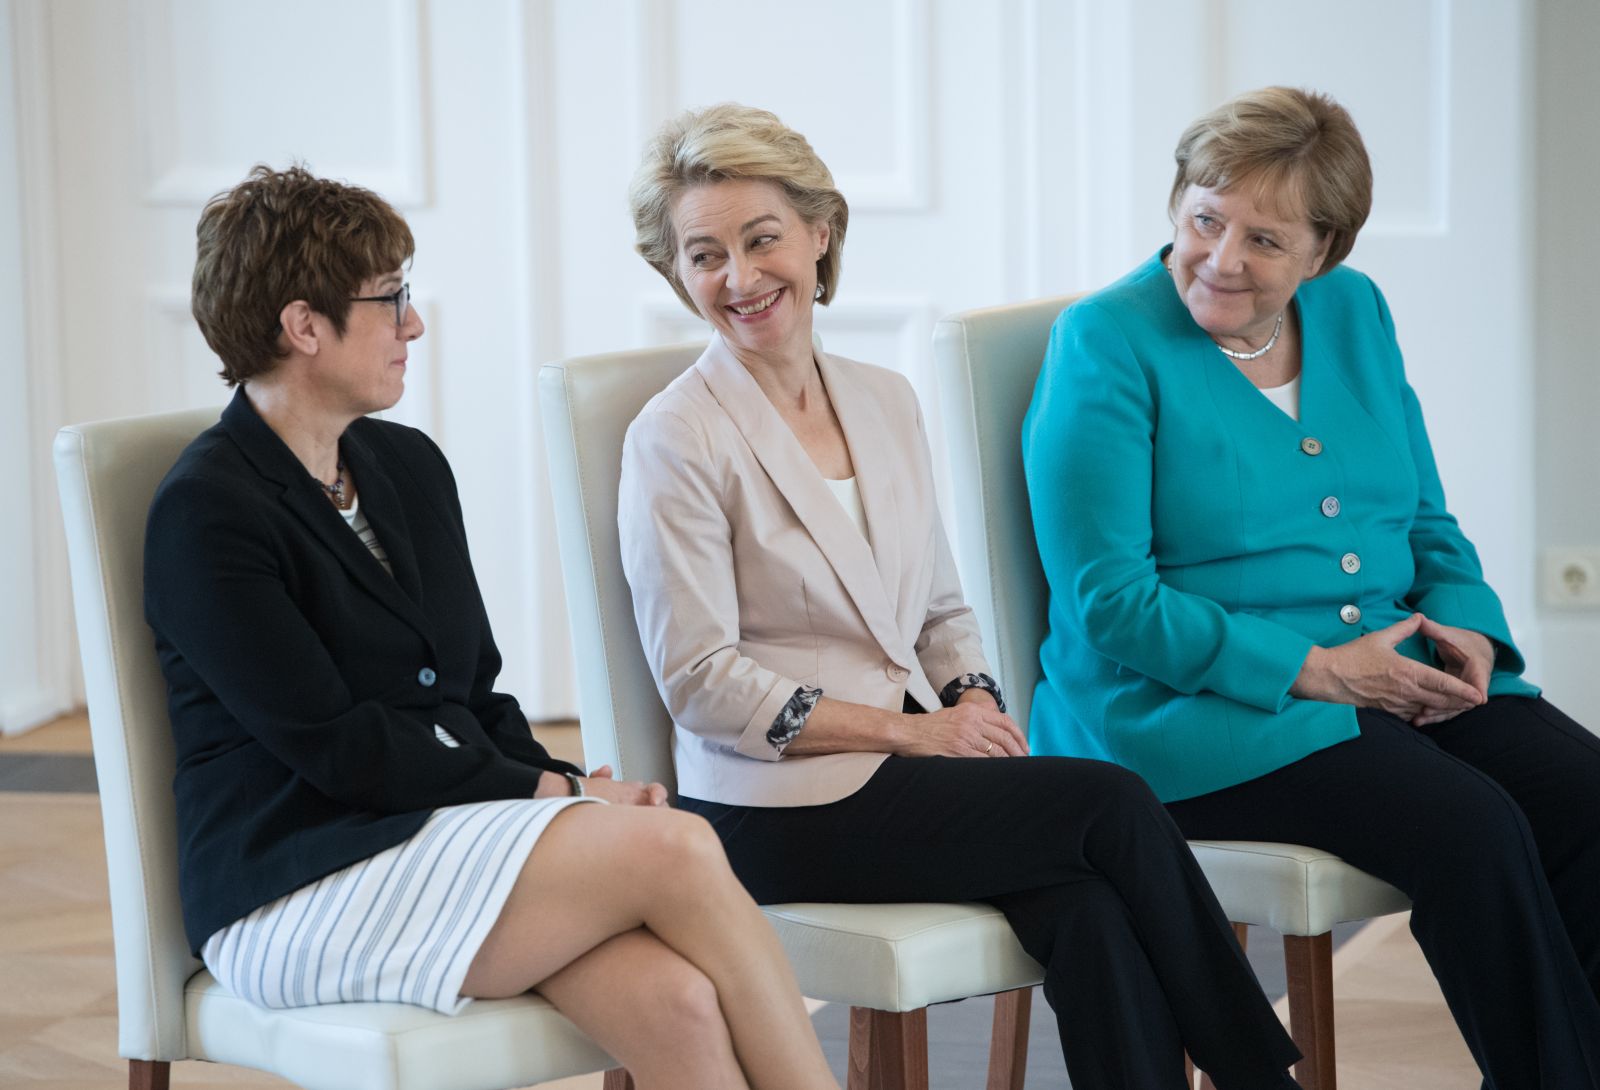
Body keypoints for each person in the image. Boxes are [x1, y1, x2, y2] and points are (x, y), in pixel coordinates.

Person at [619, 103, 1304, 1090]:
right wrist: (914, 733)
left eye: (762, 239)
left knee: (1089, 911)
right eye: (704, 255)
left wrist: (972, 699)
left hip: (900, 770)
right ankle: (1259, 1076)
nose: (739, 276)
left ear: (820, 233)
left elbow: (940, 606)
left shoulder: (882, 398)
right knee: (1111, 800)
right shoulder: (675, 435)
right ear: (676, 273)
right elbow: (699, 680)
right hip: (772, 807)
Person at [146, 164, 842, 1090]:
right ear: (305, 326)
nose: (413, 325)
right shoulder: (208, 511)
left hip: (432, 835)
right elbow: (338, 748)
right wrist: (554, 792)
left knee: (675, 1002)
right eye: (391, 300)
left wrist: (562, 784)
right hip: (293, 882)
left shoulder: (405, 465)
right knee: (675, 847)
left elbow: (470, 692)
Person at [1023, 86, 1600, 1086]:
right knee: (1471, 829)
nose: (1222, 258)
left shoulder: (1353, 309)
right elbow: (1107, 600)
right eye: (1206, 219)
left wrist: (1466, 626)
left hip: (1387, 664)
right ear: (1176, 203)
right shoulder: (1104, 342)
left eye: (1265, 239)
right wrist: (1322, 671)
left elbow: (1422, 517)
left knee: (1586, 795)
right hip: (1192, 710)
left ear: (1323, 250)